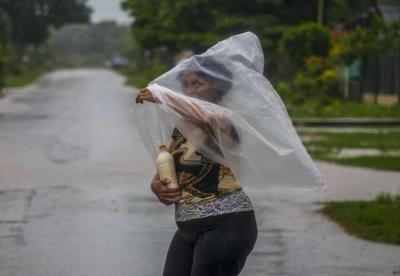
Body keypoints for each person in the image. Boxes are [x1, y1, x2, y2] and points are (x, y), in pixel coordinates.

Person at [135, 58, 258, 276]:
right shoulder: (182, 126)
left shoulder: (226, 119)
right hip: (188, 227)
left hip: (226, 225)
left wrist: (166, 98)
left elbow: (208, 119)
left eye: (197, 84)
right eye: (186, 84)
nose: (189, 90)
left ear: (218, 86)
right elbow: (167, 170)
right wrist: (158, 186)